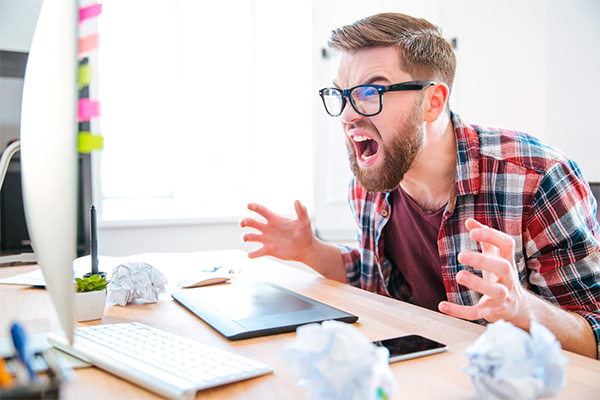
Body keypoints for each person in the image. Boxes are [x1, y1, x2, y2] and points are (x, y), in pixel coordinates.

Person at [239, 12, 600, 359]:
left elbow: (594, 334)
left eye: (370, 91)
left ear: (433, 102)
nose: (347, 115)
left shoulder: (538, 178)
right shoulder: (369, 184)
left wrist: (523, 309)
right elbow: (372, 277)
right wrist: (310, 251)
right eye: (341, 94)